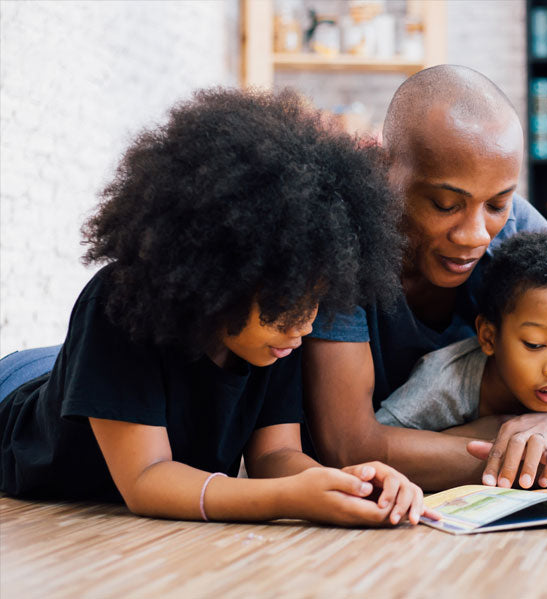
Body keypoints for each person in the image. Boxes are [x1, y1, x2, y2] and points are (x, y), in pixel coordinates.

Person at [0, 88, 435, 527]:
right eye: (287, 302)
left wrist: (349, 486)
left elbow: (275, 454)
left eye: (317, 301)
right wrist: (288, 499)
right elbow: (146, 479)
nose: (304, 325)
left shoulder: (277, 336)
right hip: (14, 391)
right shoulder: (118, 302)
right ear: (219, 272)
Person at [302, 65, 547, 491]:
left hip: (428, 459)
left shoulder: (517, 227)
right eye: (446, 204)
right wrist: (537, 455)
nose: (476, 235)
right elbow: (348, 446)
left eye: (497, 203)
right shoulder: (342, 245)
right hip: (381, 470)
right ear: (384, 170)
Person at [375, 232, 547, 487]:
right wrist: (489, 430)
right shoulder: (443, 382)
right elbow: (375, 442)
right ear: (489, 337)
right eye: (535, 344)